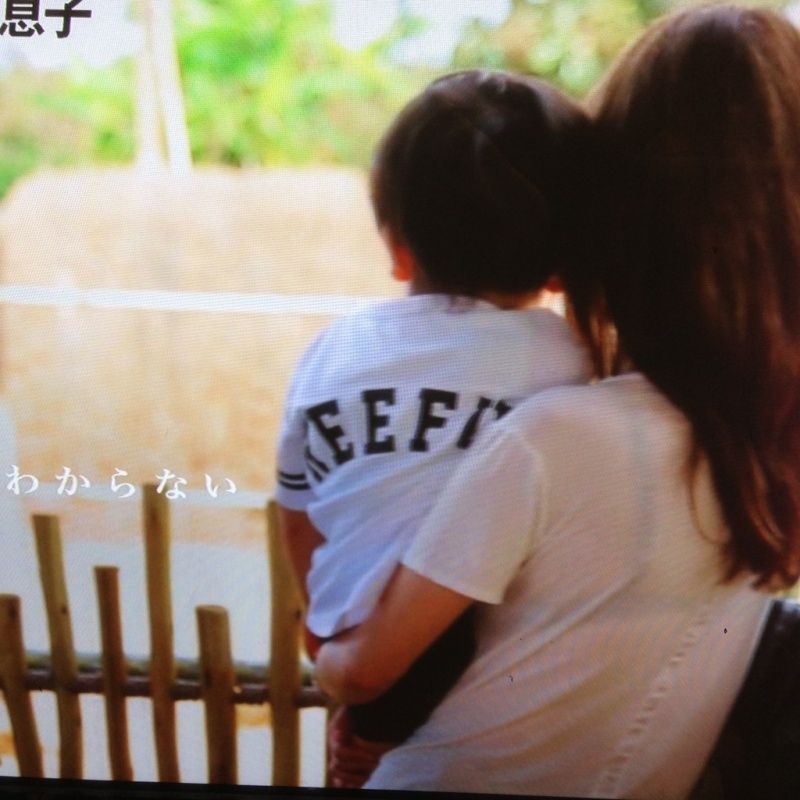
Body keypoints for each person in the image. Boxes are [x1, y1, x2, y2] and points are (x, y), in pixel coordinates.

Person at [314, 5, 800, 797]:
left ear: (612, 216)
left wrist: (338, 673)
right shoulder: (765, 450)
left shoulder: (557, 438)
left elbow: (363, 670)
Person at [274, 69, 592, 778]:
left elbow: (298, 513)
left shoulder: (333, 351)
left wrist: (323, 631)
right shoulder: (572, 361)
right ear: (562, 265)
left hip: (354, 638)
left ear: (397, 246)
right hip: (492, 663)